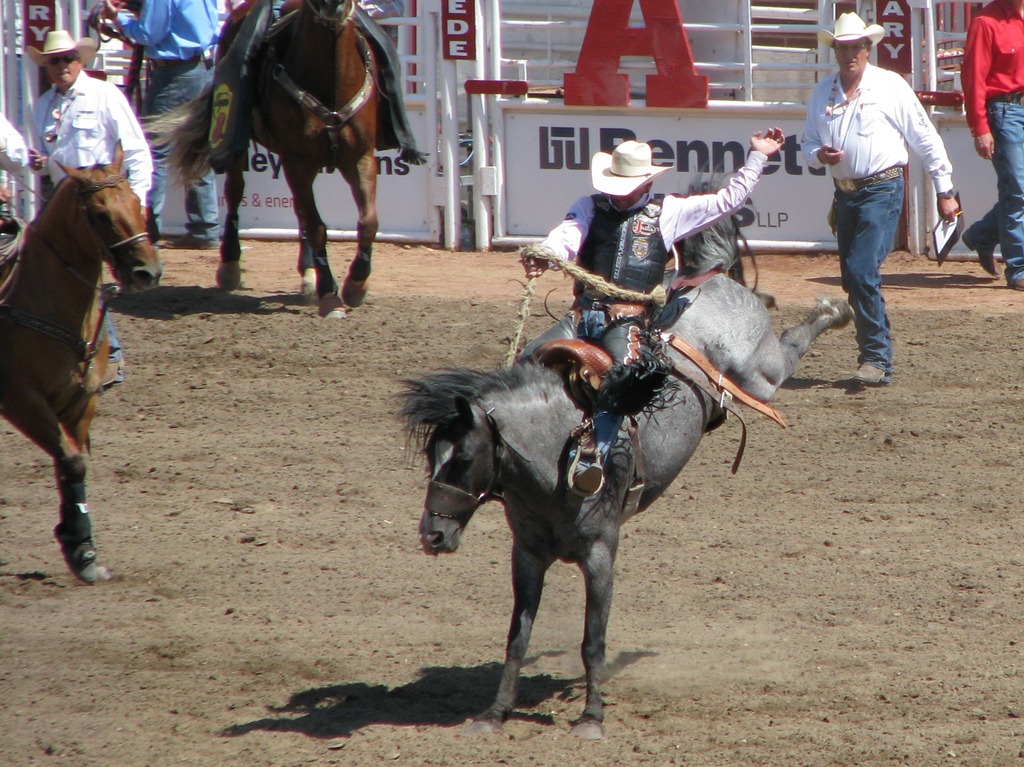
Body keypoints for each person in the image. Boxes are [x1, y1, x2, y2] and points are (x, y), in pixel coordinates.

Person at [518, 131, 785, 497]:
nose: (618, 192)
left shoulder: (668, 212)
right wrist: (546, 253)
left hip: (629, 320)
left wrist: (758, 157)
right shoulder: (589, 207)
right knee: (526, 362)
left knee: (624, 379)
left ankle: (594, 456)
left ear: (643, 182)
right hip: (583, 315)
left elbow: (727, 201)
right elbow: (567, 236)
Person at [801, 12, 960, 386]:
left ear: (867, 48)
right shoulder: (823, 92)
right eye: (843, 47)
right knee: (855, 276)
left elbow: (924, 137)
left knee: (860, 272)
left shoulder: (890, 86)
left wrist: (945, 188)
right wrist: (819, 155)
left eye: (856, 46)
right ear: (835, 50)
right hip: (845, 195)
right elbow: (807, 142)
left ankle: (874, 356)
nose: (849, 53)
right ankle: (877, 353)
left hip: (882, 189)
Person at [26, 29, 155, 388]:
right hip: (65, 202)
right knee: (63, 275)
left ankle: (109, 353)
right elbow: (45, 161)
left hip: (102, 203)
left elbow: (136, 150)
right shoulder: (41, 108)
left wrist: (136, 202)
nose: (63, 65)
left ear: (80, 61)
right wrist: (38, 163)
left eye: (68, 58)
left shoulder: (104, 95)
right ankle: (88, 349)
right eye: (55, 61)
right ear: (47, 67)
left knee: (81, 275)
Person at [103, 0, 222, 250]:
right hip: (203, 68)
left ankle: (148, 229)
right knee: (197, 147)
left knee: (153, 152)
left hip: (174, 74)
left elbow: (149, 33)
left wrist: (120, 19)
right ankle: (205, 228)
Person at [961, 0, 1024, 290]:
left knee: (1018, 189)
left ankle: (983, 236)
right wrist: (980, 126)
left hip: (1013, 108)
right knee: (1017, 188)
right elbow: (974, 77)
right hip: (1005, 109)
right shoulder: (986, 22)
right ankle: (1019, 268)